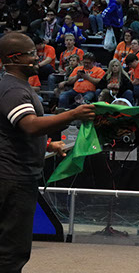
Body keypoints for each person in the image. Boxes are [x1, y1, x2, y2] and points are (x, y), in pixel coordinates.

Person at [0, 33, 95, 272]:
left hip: (15, 176)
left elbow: (13, 132)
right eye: (31, 53)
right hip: (13, 178)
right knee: (12, 250)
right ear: (13, 58)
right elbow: (30, 125)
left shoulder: (16, 86)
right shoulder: (13, 90)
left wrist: (47, 145)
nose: (37, 57)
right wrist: (73, 114)